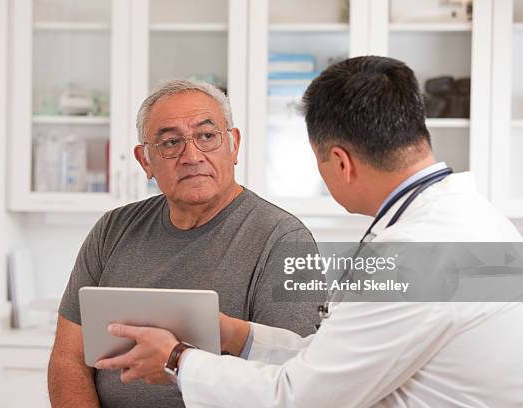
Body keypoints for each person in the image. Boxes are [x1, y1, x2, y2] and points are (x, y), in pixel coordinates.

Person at [94, 56, 523, 407]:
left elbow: (299, 398)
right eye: (169, 143)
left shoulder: (417, 253)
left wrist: (176, 360)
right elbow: (333, 362)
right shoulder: (465, 221)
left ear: (341, 162)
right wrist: (238, 335)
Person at [47, 80, 321, 407]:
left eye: (207, 136)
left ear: (233, 145)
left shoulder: (285, 240)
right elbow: (68, 359)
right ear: (145, 160)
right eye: (170, 142)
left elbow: (293, 379)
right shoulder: (112, 230)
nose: (191, 156)